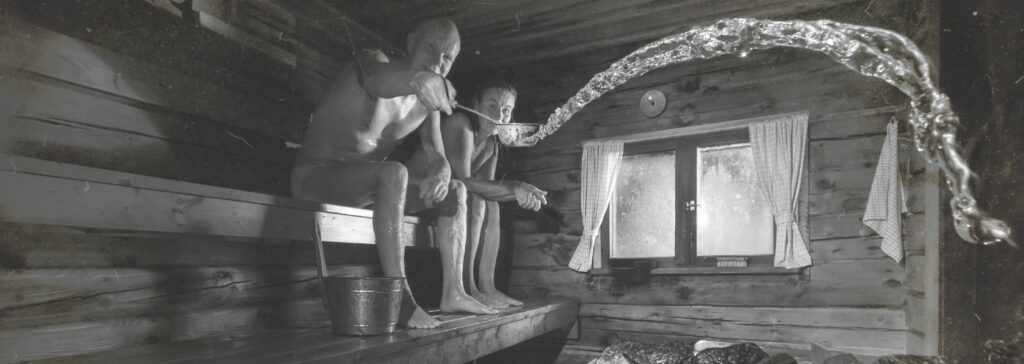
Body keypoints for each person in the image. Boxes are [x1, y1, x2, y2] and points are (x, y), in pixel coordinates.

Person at [291, 18, 494, 330]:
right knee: (394, 173)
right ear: (411, 41)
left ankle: (454, 292)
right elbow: (376, 80)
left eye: (447, 58)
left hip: (364, 188)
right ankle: (401, 299)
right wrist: (418, 79)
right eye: (431, 48)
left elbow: (437, 154)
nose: (438, 62)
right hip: (315, 179)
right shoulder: (374, 61)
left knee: (456, 191)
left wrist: (440, 173)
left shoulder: (427, 102)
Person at [405, 79, 547, 309]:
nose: (499, 115)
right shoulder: (461, 124)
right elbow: (465, 182)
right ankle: (467, 287)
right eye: (492, 106)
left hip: (443, 199)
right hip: (416, 192)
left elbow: (487, 189)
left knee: (490, 205)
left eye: (506, 110)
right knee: (477, 201)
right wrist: (514, 187)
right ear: (475, 105)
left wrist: (522, 191)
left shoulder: (492, 144)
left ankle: (486, 287)